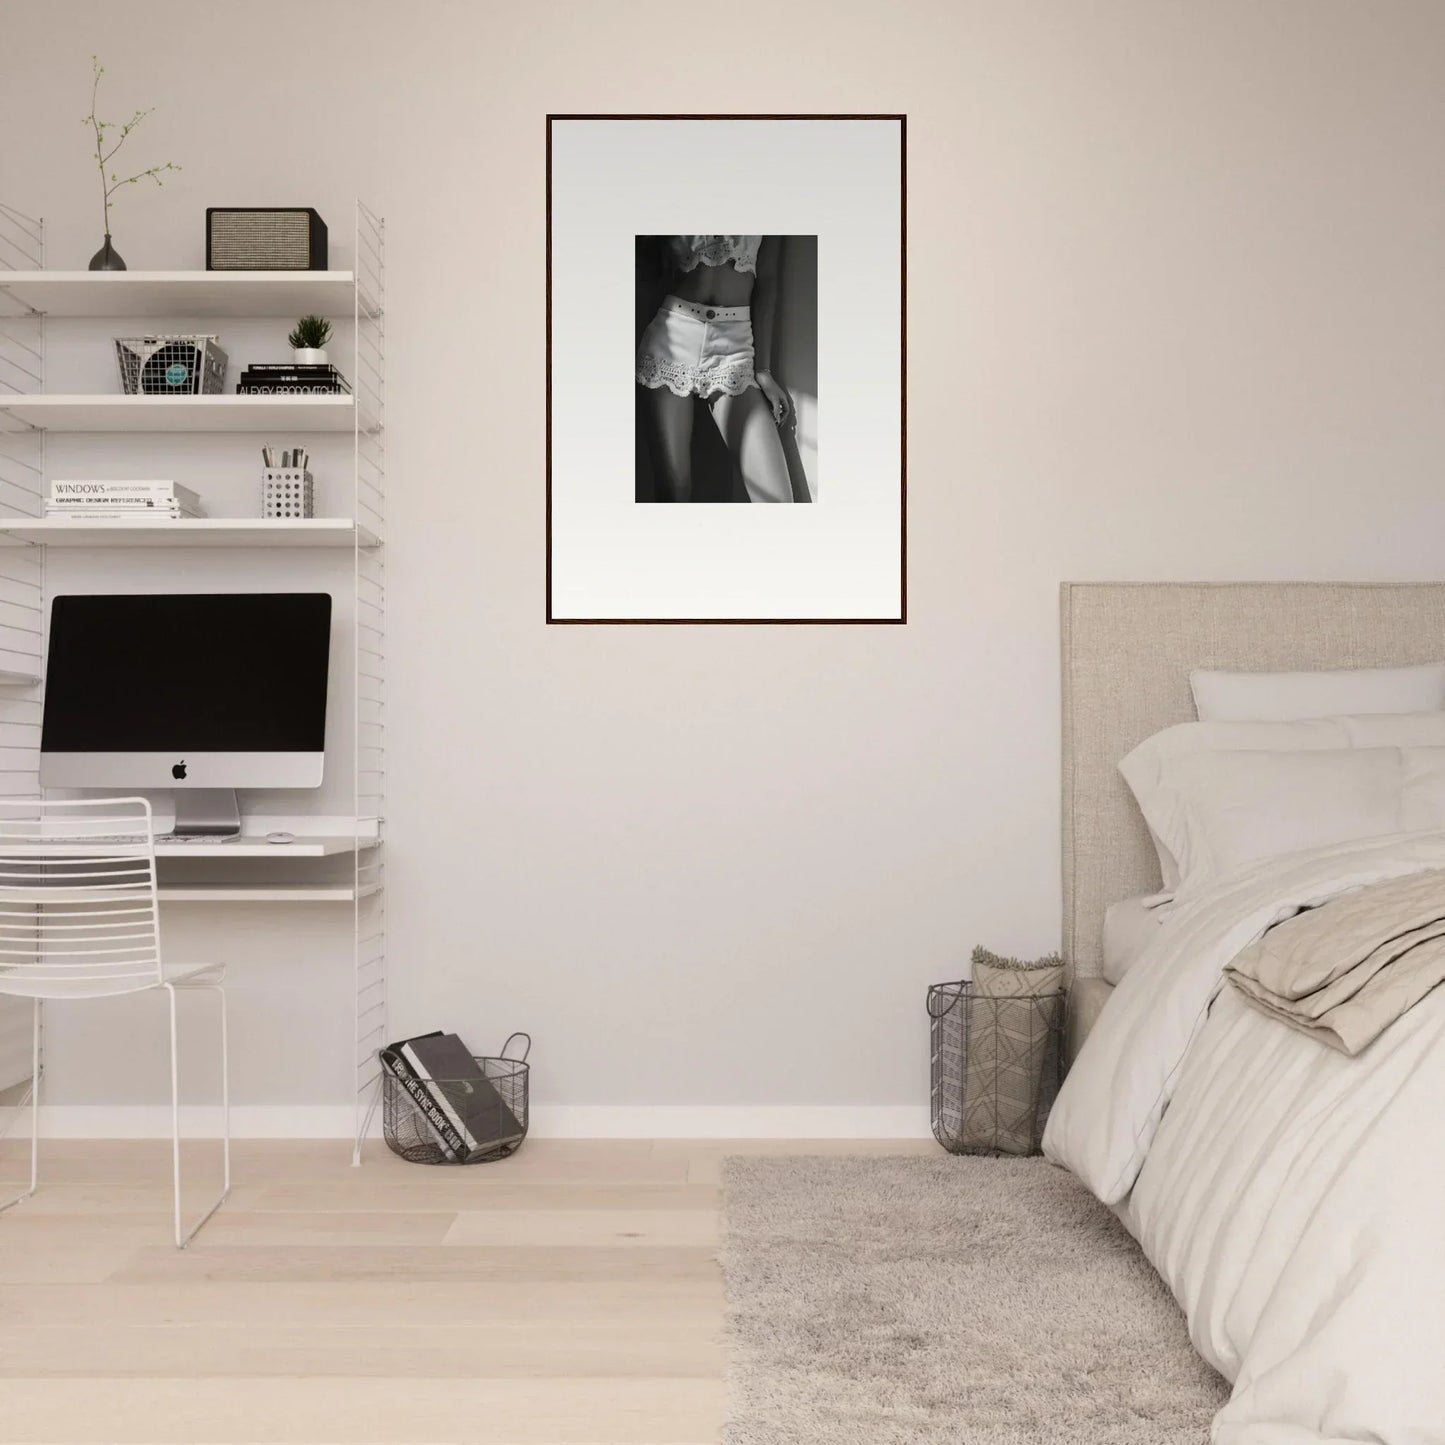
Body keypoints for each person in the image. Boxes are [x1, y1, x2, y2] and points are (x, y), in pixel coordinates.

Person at [635, 235, 793, 503]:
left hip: (736, 346)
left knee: (777, 501)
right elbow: (648, 262)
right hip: (673, 336)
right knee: (674, 494)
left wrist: (763, 371)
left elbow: (768, 282)